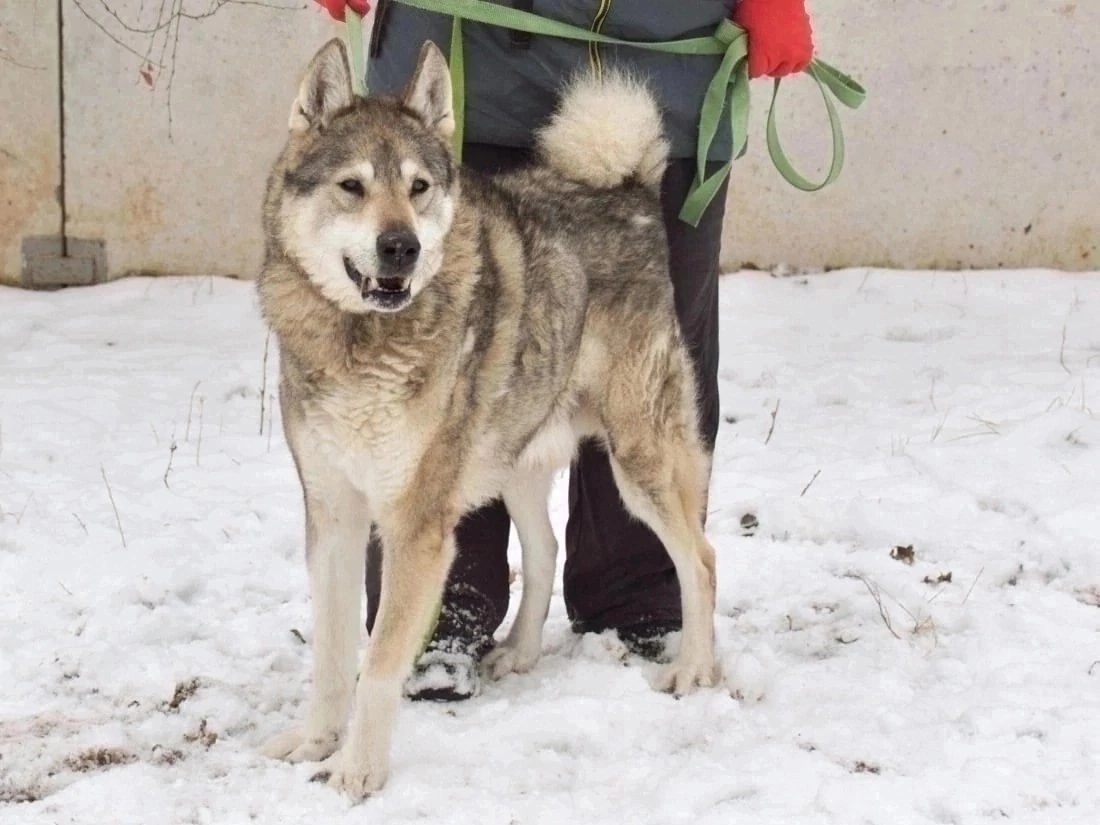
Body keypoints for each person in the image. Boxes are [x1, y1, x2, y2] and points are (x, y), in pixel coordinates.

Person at [311, 0, 815, 700]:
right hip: (473, 66)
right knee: (433, 375)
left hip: (666, 68)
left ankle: (640, 602)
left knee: (646, 407)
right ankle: (436, 616)